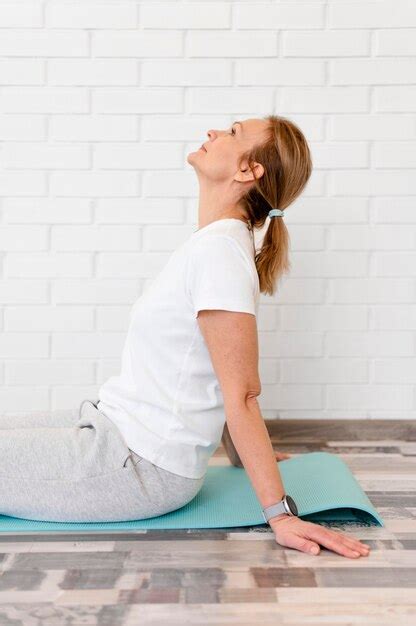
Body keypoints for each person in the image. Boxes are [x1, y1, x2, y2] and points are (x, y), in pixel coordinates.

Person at [1, 115, 370, 560]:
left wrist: (280, 514)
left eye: (234, 133)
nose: (215, 132)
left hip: (137, 466)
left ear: (248, 171)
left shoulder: (219, 255)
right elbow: (218, 372)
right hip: (112, 429)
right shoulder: (215, 246)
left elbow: (243, 394)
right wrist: (239, 458)